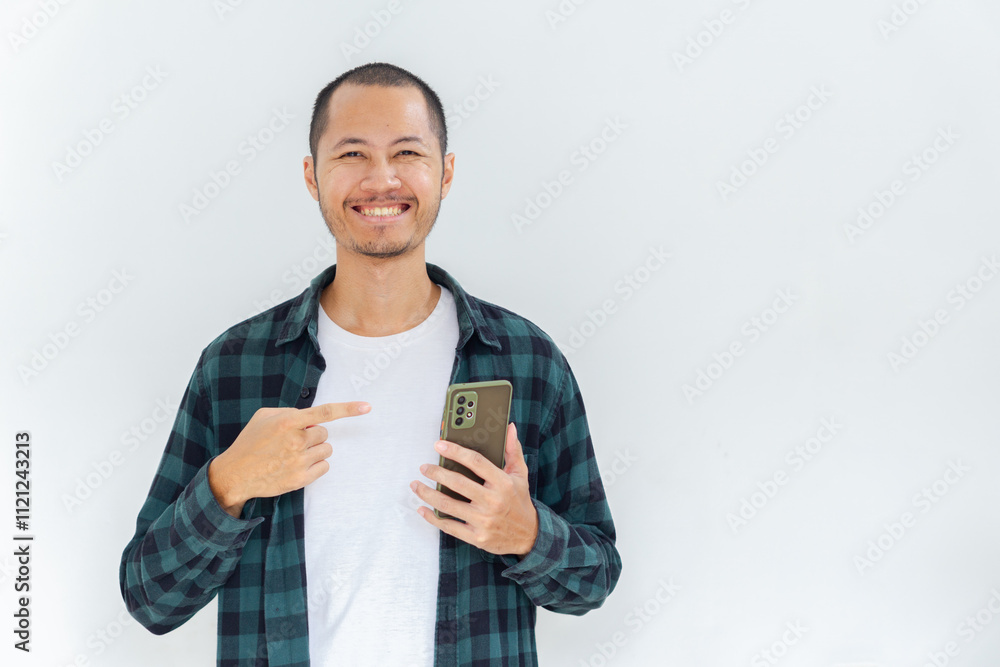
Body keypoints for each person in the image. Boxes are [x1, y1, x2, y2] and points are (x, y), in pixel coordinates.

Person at [119, 61, 622, 667]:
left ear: (447, 171)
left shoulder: (527, 361)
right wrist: (228, 485)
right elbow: (151, 598)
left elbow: (594, 580)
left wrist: (527, 534)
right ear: (312, 175)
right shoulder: (234, 367)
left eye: (407, 152)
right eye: (351, 154)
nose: (381, 179)